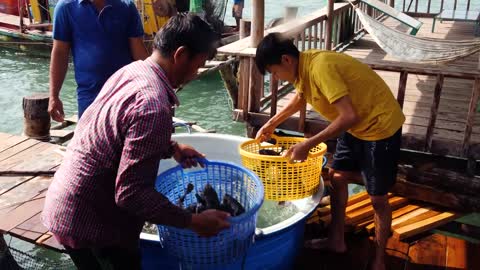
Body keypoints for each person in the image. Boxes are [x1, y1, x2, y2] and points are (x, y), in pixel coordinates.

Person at [42, 14, 229, 270]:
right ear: (181, 54)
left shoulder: (133, 70)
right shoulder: (153, 106)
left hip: (65, 203)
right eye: (199, 63)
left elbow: (117, 132)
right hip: (91, 224)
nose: (196, 73)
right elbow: (131, 194)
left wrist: (171, 148)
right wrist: (194, 222)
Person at [254, 33, 405, 270]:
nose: (275, 78)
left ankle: (379, 260)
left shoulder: (320, 67)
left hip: (379, 126)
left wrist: (307, 144)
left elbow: (348, 115)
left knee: (377, 198)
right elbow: (300, 98)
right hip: (356, 126)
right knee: (336, 177)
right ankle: (336, 241)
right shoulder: (302, 68)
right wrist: (271, 123)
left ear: (285, 60)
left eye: (273, 72)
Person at [48, 0, 150, 122]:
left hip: (126, 96)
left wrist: (159, 81)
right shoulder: (66, 7)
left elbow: (138, 51)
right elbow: (60, 52)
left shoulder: (126, 6)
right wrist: (54, 96)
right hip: (90, 99)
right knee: (89, 140)